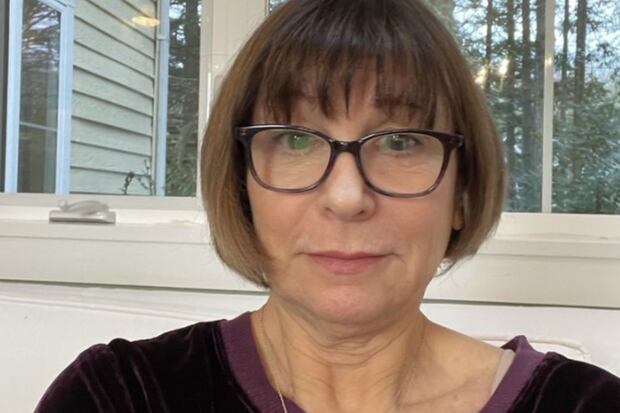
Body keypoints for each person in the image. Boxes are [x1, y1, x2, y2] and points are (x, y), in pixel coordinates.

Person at [35, 0, 620, 412]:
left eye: (400, 141)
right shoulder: (119, 395)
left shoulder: (584, 404)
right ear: (241, 186)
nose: (346, 197)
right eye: (296, 139)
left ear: (462, 194)